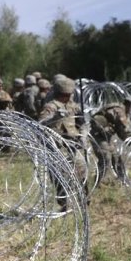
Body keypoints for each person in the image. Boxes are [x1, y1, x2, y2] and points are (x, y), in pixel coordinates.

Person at [38, 77, 88, 211]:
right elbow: (40, 125)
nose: (68, 96)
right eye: (66, 94)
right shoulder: (50, 107)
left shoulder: (74, 106)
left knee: (81, 170)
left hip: (72, 144)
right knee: (60, 176)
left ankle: (83, 200)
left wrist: (83, 136)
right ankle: (65, 204)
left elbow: (82, 123)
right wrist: (54, 118)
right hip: (57, 146)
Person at [90, 95, 131, 183]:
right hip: (97, 135)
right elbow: (124, 132)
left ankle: (123, 179)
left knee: (116, 156)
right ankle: (97, 182)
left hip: (106, 135)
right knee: (105, 157)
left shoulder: (120, 110)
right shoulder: (120, 112)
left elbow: (122, 134)